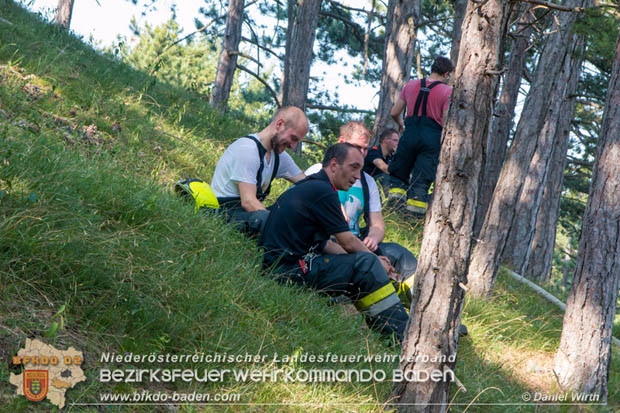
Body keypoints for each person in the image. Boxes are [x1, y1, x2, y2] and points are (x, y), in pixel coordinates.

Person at [260, 143, 409, 342]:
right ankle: (401, 336)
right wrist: (376, 259)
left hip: (283, 268)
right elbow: (347, 241)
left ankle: (388, 330)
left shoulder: (313, 187)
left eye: (360, 169)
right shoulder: (323, 191)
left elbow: (326, 245)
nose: (358, 176)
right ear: (333, 165)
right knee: (367, 264)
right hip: (286, 272)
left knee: (363, 260)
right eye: (353, 167)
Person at [306, 122, 417, 305]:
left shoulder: (368, 182)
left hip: (356, 242)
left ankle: (422, 301)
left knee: (398, 253)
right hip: (325, 244)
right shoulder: (318, 172)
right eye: (356, 147)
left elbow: (378, 224)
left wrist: (373, 237)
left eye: (365, 149)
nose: (362, 154)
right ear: (340, 143)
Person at [210, 106, 308, 234]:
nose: (293, 146)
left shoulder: (279, 157)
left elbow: (306, 183)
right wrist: (279, 224)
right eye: (294, 138)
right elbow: (248, 202)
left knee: (293, 213)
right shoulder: (247, 149)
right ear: (279, 124)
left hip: (248, 216)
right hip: (223, 215)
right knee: (274, 221)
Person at [387, 56, 454, 217]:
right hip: (431, 138)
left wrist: (402, 125)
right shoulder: (447, 91)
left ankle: (393, 214)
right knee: (421, 181)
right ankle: (412, 220)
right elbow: (446, 122)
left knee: (398, 175)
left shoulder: (410, 85)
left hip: (409, 133)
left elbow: (394, 112)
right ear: (446, 74)